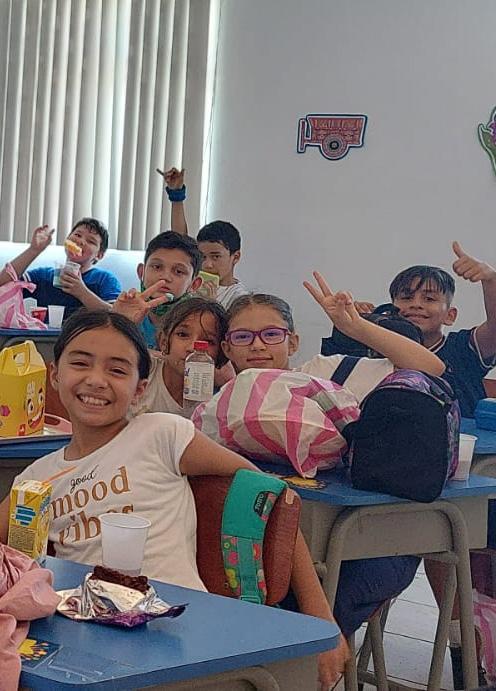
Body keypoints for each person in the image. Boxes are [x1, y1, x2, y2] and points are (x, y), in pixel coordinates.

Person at [0, 308, 347, 688]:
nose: (96, 380)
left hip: (175, 635)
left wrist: (321, 619)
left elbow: (270, 496)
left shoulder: (161, 434)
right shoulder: (37, 477)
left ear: (139, 388)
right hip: (82, 638)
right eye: (81, 363)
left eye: (117, 370)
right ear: (54, 374)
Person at [215, 272, 445, 639]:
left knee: (312, 609)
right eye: (243, 337)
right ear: (227, 348)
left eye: (271, 334)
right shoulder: (221, 404)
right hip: (281, 541)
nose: (257, 346)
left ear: (293, 341)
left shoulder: (329, 371)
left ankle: (304, 659)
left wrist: (356, 328)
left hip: (370, 538)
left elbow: (431, 369)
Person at [161, 169, 249, 309]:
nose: (207, 265)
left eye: (216, 257)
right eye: (203, 257)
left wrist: (210, 306)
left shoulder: (239, 298)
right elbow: (180, 241)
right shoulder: (194, 281)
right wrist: (176, 195)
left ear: (235, 257)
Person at [130, 297, 229, 418]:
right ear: (163, 341)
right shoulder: (143, 370)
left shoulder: (219, 399)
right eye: (183, 334)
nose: (192, 348)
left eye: (208, 341)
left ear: (221, 351)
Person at [0, 219, 121, 317]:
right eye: (77, 235)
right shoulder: (44, 276)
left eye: (91, 241)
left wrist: (82, 292)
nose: (80, 241)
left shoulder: (104, 280)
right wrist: (34, 250)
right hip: (43, 337)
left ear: (99, 255)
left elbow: (118, 316)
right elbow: (3, 283)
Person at [112, 231, 202, 349]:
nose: (165, 277)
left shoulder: (201, 324)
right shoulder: (125, 310)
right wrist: (118, 322)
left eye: (178, 271)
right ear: (141, 272)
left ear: (194, 284)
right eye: (157, 267)